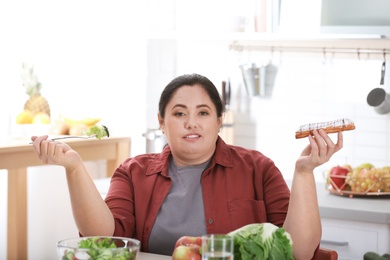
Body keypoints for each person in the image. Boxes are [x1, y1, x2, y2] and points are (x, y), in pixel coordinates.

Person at [31, 73, 343, 259]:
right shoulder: (133, 171)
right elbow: (106, 240)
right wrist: (73, 167)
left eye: (203, 113)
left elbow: (298, 253)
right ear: (161, 122)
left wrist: (304, 171)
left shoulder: (258, 168)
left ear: (219, 121)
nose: (191, 122)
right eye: (179, 113)